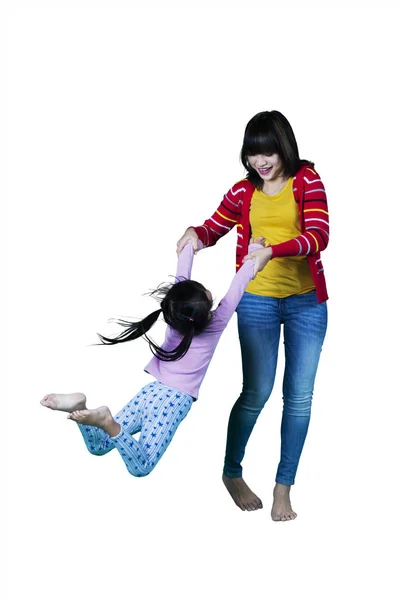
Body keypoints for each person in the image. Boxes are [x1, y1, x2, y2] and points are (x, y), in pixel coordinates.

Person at [177, 110, 329, 520]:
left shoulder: (307, 181)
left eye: (268, 153)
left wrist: (270, 251)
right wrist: (195, 234)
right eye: (252, 154)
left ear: (283, 148)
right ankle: (232, 473)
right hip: (256, 301)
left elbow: (319, 237)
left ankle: (284, 488)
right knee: (256, 392)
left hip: (306, 302)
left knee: (298, 399)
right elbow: (215, 226)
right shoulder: (243, 191)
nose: (260, 162)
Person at [40, 237, 266, 478]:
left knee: (98, 447)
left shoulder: (175, 311)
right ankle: (108, 423)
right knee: (142, 466)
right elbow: (238, 286)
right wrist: (255, 251)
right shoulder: (215, 323)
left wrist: (190, 245)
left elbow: (182, 276)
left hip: (152, 391)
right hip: (174, 401)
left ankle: (80, 406)